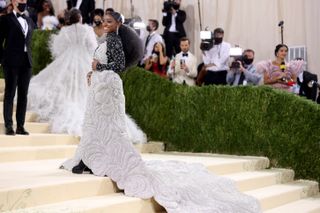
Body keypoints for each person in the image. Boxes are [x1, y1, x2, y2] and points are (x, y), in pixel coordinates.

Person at [61, 11, 261, 213]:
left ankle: (96, 158)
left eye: (109, 21)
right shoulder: (110, 37)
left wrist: (99, 66)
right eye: (104, 21)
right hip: (101, 84)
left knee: (106, 124)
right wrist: (94, 71)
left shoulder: (114, 38)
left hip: (107, 85)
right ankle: (89, 156)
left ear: (119, 23)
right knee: (97, 122)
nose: (105, 24)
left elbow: (119, 65)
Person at [27, 9, 97, 136]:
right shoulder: (87, 30)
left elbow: (57, 49)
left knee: (60, 83)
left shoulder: (65, 31)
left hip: (67, 59)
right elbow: (93, 47)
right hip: (84, 60)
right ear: (80, 18)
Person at [0, 0, 35, 135]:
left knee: (23, 95)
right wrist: (3, 59)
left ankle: (20, 126)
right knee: (10, 93)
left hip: (27, 62)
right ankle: (9, 125)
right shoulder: (5, 20)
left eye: (25, 0)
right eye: (20, 0)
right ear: (13, 2)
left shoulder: (29, 20)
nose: (23, 2)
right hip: (11, 62)